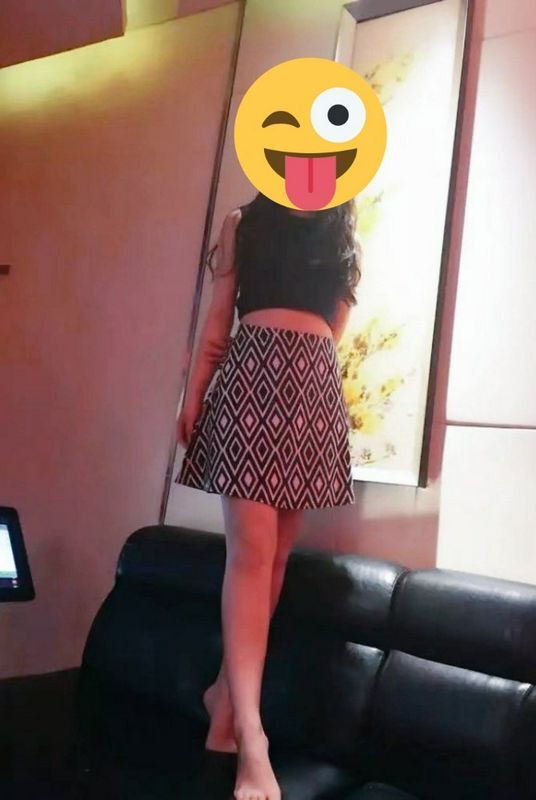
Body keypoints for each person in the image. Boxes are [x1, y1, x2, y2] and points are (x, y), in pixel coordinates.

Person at [174, 191, 360, 800]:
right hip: (252, 380)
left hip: (312, 391)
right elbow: (218, 320)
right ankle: (253, 739)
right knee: (252, 556)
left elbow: (335, 329)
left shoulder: (343, 227)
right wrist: (195, 393)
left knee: (274, 558)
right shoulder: (243, 222)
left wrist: (309, 378)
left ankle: (226, 699)